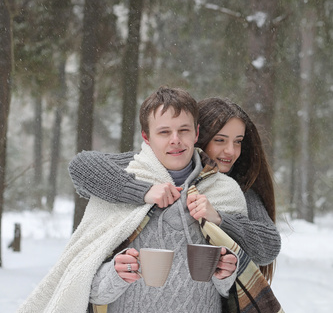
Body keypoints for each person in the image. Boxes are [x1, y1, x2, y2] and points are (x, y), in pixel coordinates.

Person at [87, 86, 248, 313]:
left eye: (184, 130)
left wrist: (226, 273)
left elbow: (237, 291)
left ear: (196, 134)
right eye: (164, 132)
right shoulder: (119, 189)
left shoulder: (225, 193)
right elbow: (90, 288)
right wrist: (115, 273)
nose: (175, 140)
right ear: (147, 137)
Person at [69, 97, 281, 283]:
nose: (230, 151)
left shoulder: (237, 190)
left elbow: (268, 247)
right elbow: (82, 166)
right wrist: (143, 191)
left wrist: (221, 219)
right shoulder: (151, 167)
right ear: (198, 136)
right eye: (220, 140)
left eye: (238, 142)